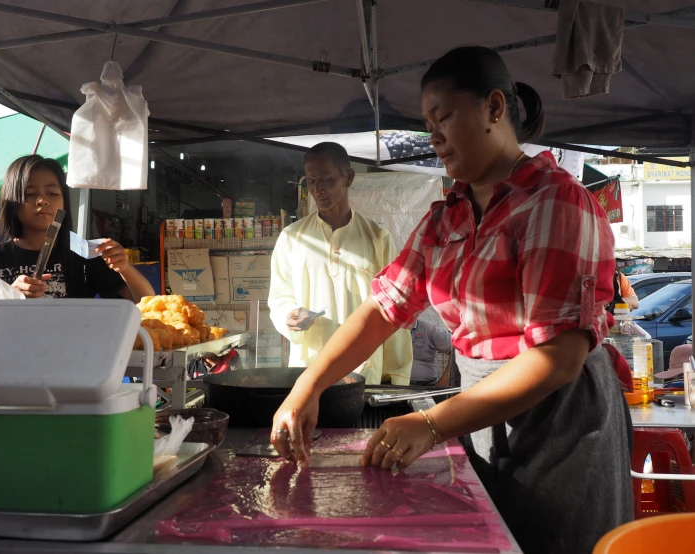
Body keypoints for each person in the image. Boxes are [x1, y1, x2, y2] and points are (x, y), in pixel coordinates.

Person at [270, 46, 632, 554]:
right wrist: (307, 387)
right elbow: (383, 309)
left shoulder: (555, 201)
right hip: (481, 411)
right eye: (428, 124)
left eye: (444, 118)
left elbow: (557, 359)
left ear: (495, 109)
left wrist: (432, 422)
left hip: (559, 422)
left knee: (551, 539)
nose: (434, 137)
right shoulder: (448, 216)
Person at [268, 142, 412, 385]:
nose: (318, 190)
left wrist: (397, 376)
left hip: (363, 373)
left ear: (348, 178)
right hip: (308, 372)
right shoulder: (292, 237)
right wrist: (288, 315)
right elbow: (279, 297)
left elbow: (393, 310)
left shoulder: (377, 238)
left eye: (327, 180)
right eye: (311, 181)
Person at [0, 155, 154, 301]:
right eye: (30, 194)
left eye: (52, 193)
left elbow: (146, 300)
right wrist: (10, 296)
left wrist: (124, 268)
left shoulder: (83, 253)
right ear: (11, 203)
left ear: (64, 203)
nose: (42, 200)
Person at [410, 318, 452, 386]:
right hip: (392, 384)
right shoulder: (390, 330)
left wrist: (444, 381)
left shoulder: (428, 329)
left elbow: (456, 347)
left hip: (426, 386)